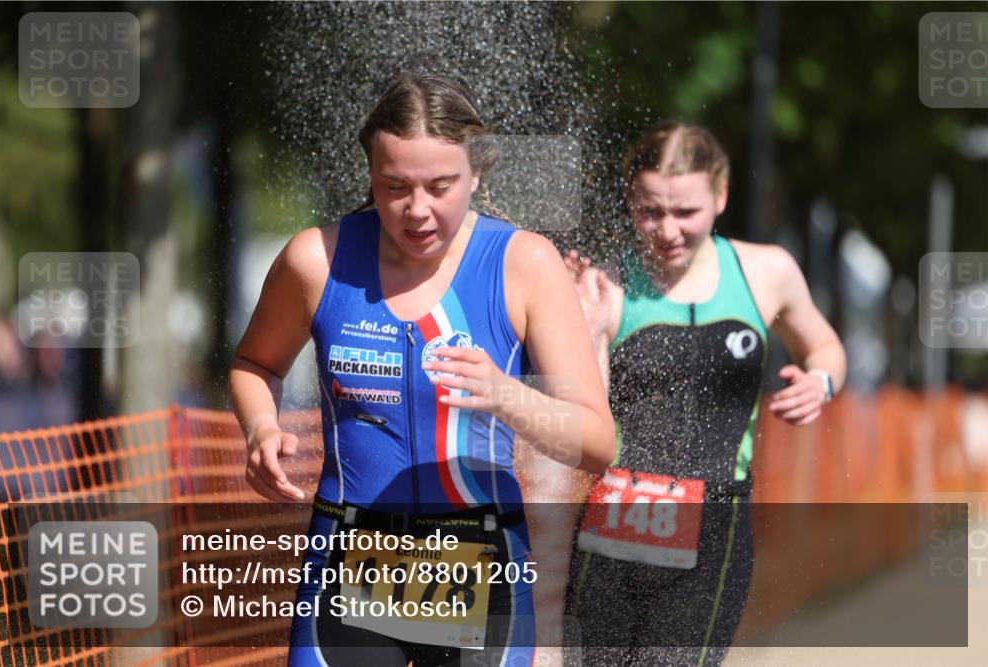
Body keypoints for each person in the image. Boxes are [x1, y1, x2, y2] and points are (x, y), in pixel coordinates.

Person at [229, 73, 615, 667]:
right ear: (371, 175)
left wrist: (506, 395)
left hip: (479, 558)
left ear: (477, 174)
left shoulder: (525, 264)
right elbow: (255, 363)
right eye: (394, 186)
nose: (417, 211)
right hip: (349, 554)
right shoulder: (316, 259)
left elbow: (597, 443)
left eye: (440, 186)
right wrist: (260, 427)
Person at [563, 121, 847, 666]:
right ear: (631, 201)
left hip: (715, 522)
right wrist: (589, 327)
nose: (667, 230)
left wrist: (821, 382)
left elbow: (825, 347)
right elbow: (584, 417)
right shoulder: (605, 285)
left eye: (685, 212)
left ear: (721, 195)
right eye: (650, 211)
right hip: (613, 518)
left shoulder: (766, 272)